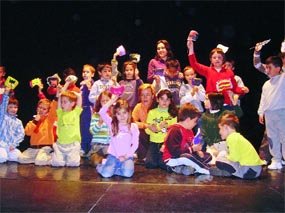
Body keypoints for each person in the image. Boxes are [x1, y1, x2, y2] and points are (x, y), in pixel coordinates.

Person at [187, 37, 249, 107]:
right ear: (211, 60)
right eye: (214, 57)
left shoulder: (229, 72)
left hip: (227, 105)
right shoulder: (208, 71)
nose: (217, 59)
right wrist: (191, 48)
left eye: (219, 57)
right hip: (213, 105)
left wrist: (243, 90)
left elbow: (234, 88)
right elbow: (194, 64)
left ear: (223, 59)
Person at [210, 113, 266, 179]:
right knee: (223, 156)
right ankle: (228, 171)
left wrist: (223, 157)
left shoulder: (232, 138)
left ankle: (221, 170)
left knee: (221, 158)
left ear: (226, 127)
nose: (219, 132)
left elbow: (234, 158)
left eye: (220, 129)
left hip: (249, 171)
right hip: (254, 170)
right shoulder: (236, 137)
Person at [96, 95, 139, 178]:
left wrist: (126, 156)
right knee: (106, 174)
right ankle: (103, 167)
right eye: (119, 114)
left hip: (127, 157)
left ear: (129, 112)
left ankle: (114, 169)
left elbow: (135, 144)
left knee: (128, 174)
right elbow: (102, 112)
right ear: (115, 115)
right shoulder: (112, 124)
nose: (122, 116)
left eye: (124, 113)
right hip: (113, 156)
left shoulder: (133, 126)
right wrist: (112, 100)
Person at [163, 103, 212, 175]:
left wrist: (197, 152)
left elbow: (191, 146)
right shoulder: (175, 130)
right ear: (188, 120)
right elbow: (175, 152)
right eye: (195, 121)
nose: (195, 124)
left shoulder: (189, 130)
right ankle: (203, 169)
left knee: (208, 155)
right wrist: (192, 149)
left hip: (185, 156)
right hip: (173, 159)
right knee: (187, 157)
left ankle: (190, 168)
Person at [258, 56, 285, 170]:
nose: (267, 70)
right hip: (269, 114)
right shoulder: (266, 84)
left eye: (270, 67)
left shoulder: (282, 79)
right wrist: (260, 112)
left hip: (281, 112)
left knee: (283, 136)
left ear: (278, 68)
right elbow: (263, 99)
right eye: (266, 67)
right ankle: (276, 159)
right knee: (272, 137)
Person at [201, 93, 243, 165]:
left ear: (214, 101)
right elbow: (204, 133)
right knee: (211, 162)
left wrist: (235, 105)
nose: (204, 101)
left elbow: (239, 114)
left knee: (223, 159)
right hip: (212, 146)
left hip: (223, 145)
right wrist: (211, 146)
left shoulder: (224, 113)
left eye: (207, 99)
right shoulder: (204, 116)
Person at [51, 80, 82, 167]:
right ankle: (57, 156)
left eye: (65, 102)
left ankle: (70, 157)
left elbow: (79, 100)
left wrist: (77, 95)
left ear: (72, 104)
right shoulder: (60, 113)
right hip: (61, 144)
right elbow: (60, 97)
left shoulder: (75, 112)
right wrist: (62, 93)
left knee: (73, 164)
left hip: (73, 144)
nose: (62, 104)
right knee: (58, 164)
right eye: (62, 102)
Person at [145, 89, 178, 169]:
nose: (164, 102)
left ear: (170, 101)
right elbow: (147, 130)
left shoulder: (173, 114)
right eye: (162, 99)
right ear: (157, 100)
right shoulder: (152, 112)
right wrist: (154, 128)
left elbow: (173, 132)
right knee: (150, 164)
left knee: (163, 165)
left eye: (167, 99)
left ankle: (169, 160)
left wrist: (168, 126)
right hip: (154, 142)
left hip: (166, 143)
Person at [19, 98, 57, 165]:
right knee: (21, 159)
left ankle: (51, 157)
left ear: (48, 111)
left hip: (45, 148)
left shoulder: (49, 120)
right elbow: (27, 132)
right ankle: (39, 159)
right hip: (34, 148)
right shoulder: (32, 122)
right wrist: (35, 121)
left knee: (39, 161)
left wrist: (57, 96)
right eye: (40, 107)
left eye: (44, 109)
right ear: (37, 108)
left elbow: (54, 107)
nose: (41, 110)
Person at [132, 83, 156, 163]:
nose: (145, 97)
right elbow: (131, 122)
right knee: (138, 131)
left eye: (147, 95)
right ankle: (142, 156)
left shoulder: (157, 106)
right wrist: (146, 125)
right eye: (142, 95)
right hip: (146, 134)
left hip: (156, 135)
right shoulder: (138, 106)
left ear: (153, 96)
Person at [0, 87, 24, 163]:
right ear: (7, 108)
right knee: (2, 158)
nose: (13, 109)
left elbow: (21, 134)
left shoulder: (18, 122)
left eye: (15, 107)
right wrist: (6, 94)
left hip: (10, 147)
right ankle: (4, 156)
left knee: (19, 158)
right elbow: (3, 106)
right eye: (10, 107)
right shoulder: (3, 116)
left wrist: (14, 145)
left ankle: (7, 155)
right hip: (1, 145)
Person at [89, 91, 112, 167]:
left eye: (107, 100)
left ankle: (107, 162)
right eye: (103, 101)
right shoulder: (96, 115)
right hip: (97, 146)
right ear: (100, 103)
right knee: (95, 162)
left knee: (113, 159)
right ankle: (105, 162)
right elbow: (92, 131)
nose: (105, 103)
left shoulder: (114, 115)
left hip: (109, 146)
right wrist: (99, 123)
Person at [80, 64, 95, 156]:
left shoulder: (93, 84)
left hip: (90, 109)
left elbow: (92, 98)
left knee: (89, 128)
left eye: (87, 72)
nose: (85, 74)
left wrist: (89, 87)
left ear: (92, 74)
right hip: (83, 109)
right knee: (83, 128)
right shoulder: (82, 84)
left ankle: (90, 148)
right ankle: (83, 148)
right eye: (84, 72)